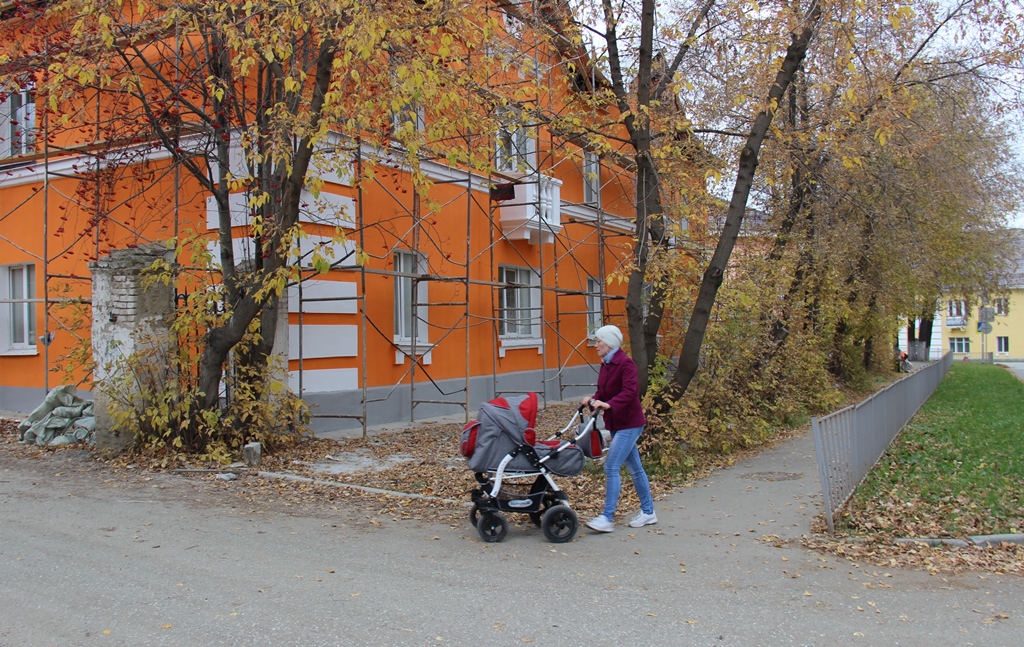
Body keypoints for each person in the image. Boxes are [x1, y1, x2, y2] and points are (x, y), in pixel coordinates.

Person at [580, 325, 656, 533]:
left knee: (611, 467)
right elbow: (604, 391)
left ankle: (607, 517)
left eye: (599, 341)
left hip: (630, 423)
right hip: (616, 424)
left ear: (610, 343)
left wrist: (609, 405)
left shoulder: (625, 363)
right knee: (635, 468)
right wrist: (594, 400)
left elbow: (630, 392)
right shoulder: (606, 364)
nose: (596, 345)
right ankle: (648, 512)